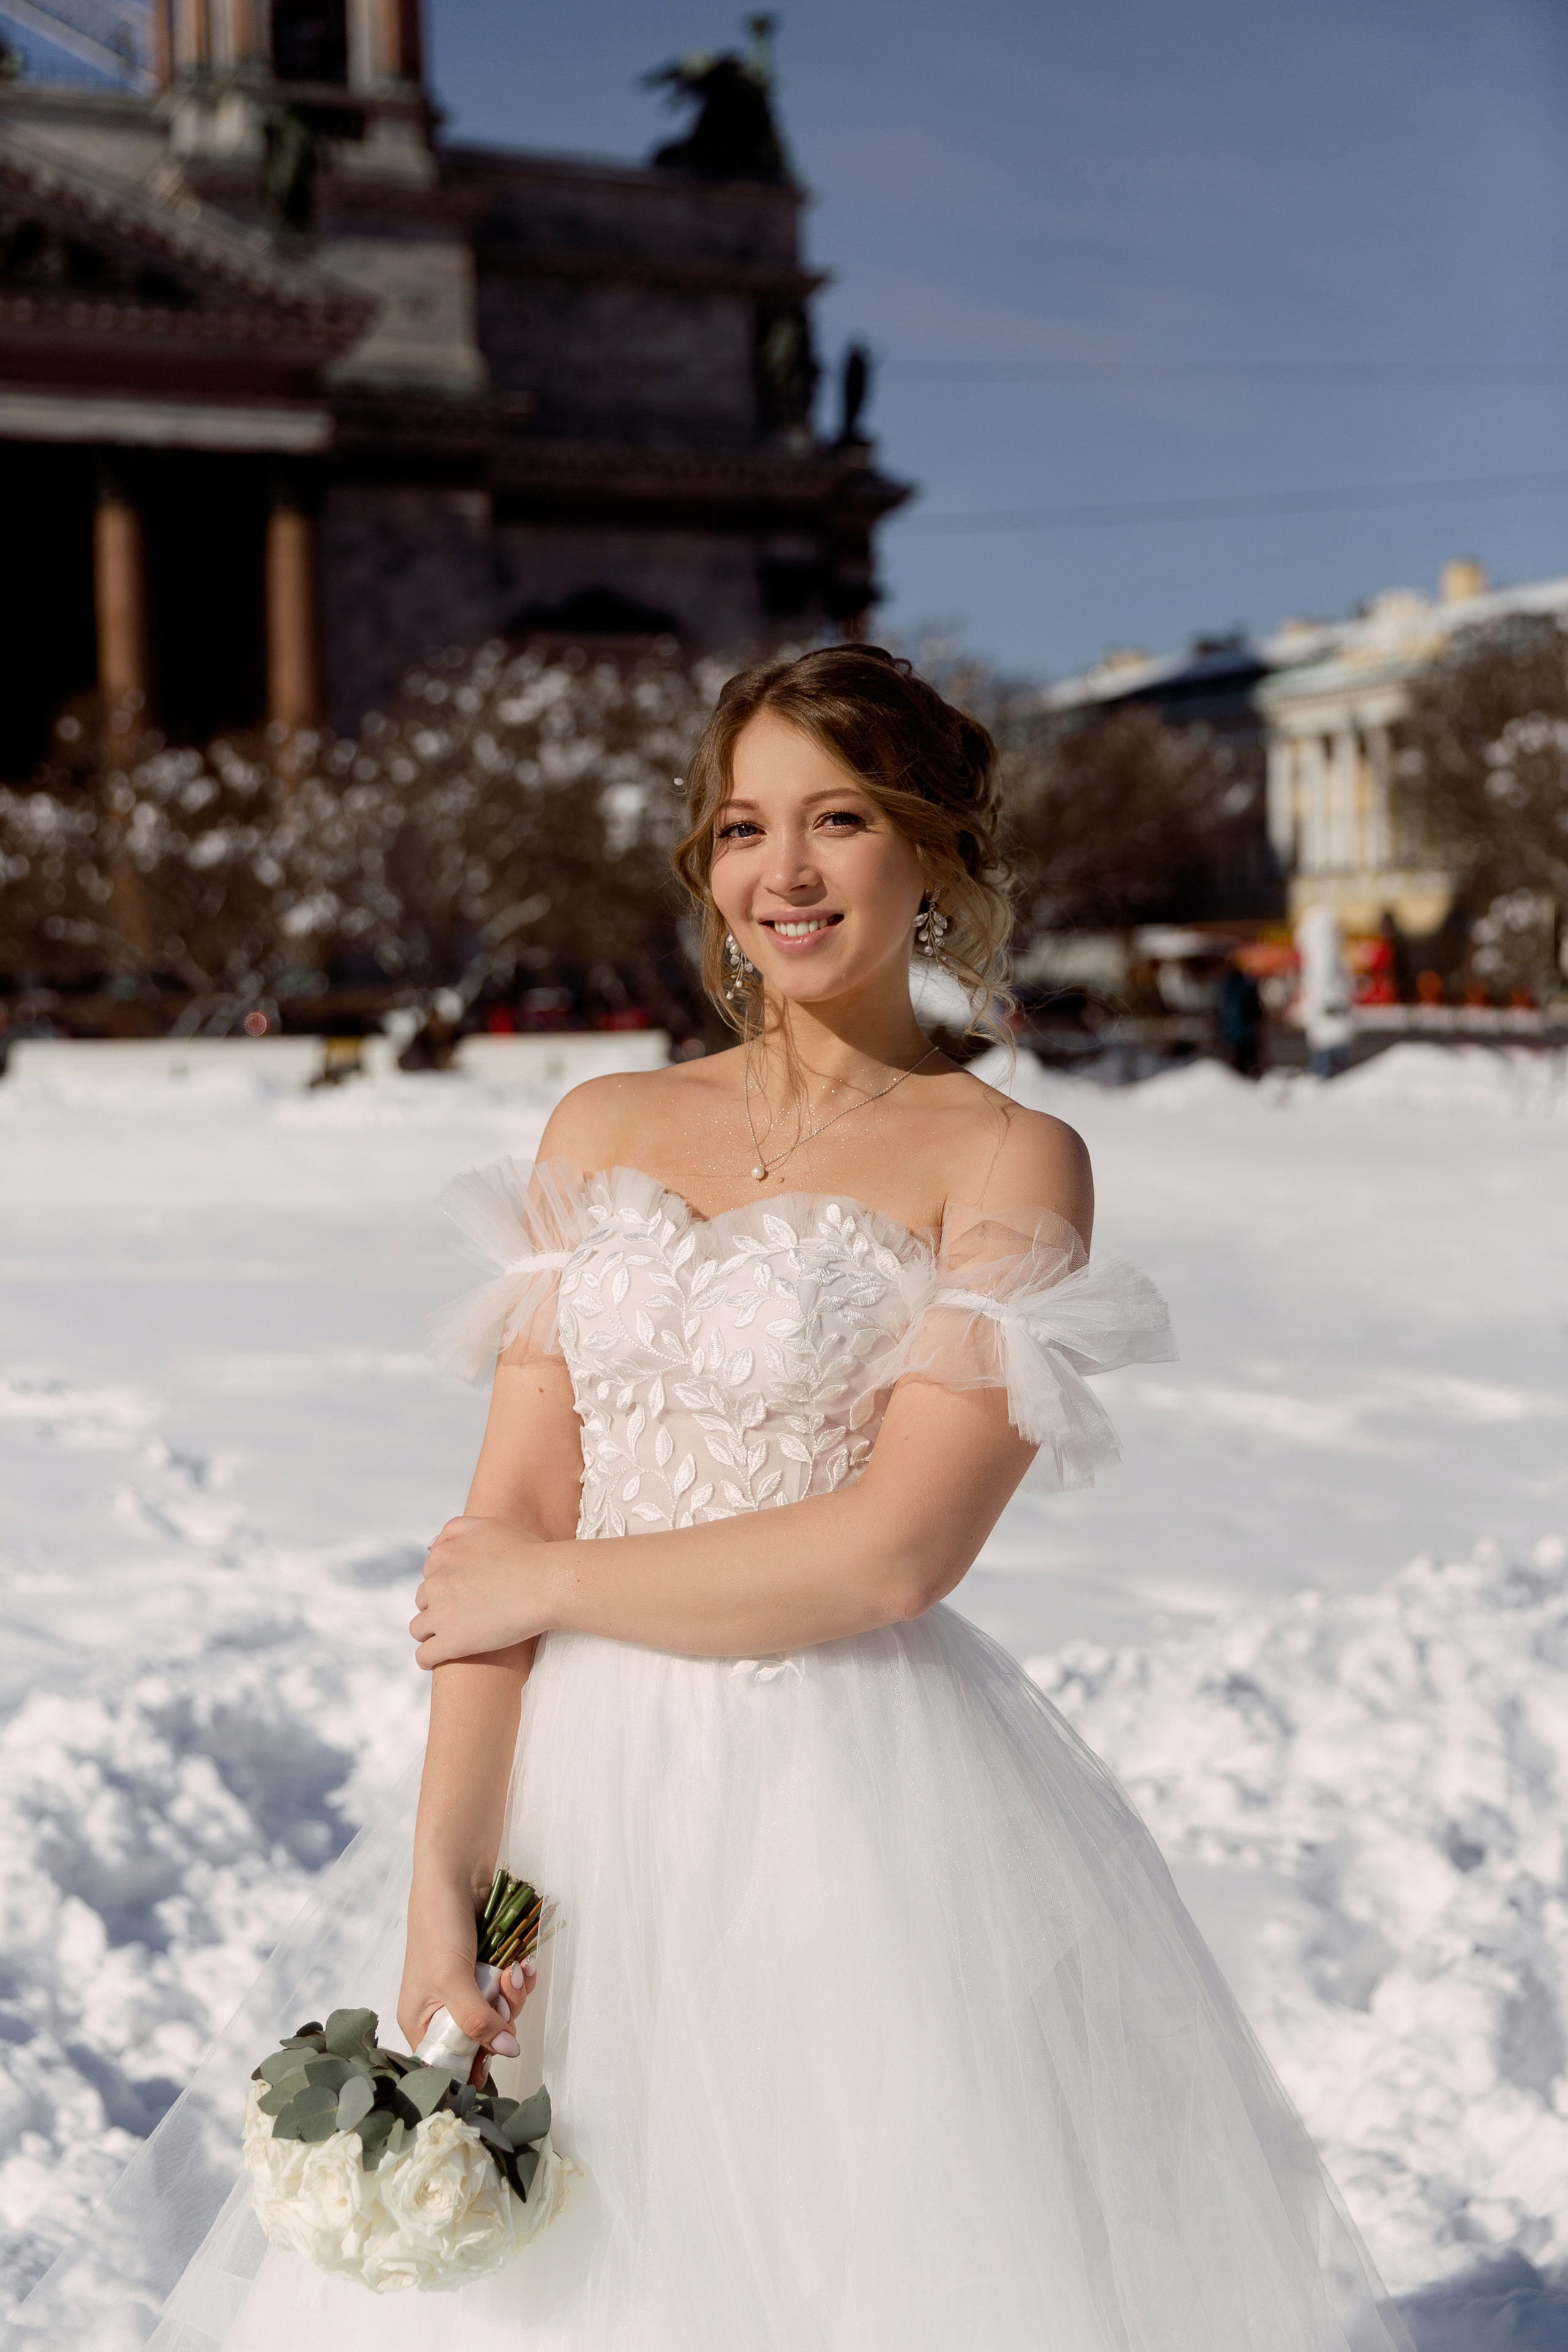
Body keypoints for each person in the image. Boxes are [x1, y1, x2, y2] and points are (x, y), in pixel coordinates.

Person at [17, 649, 1404, 2352]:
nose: (785, 873)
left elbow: (896, 1553)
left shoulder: (1006, 1158)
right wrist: (440, 1888)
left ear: (936, 859)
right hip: (572, 1811)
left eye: (839, 819)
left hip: (851, 1810)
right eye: (745, 826)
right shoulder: (599, 1125)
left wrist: (551, 1587)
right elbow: (489, 1546)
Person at [1215, 950, 1265, 1078]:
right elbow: (1256, 1009)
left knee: (1234, 1070)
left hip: (1230, 1033)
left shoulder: (1223, 986)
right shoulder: (1246, 985)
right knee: (1249, 1066)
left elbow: (1219, 1010)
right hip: (1246, 1031)